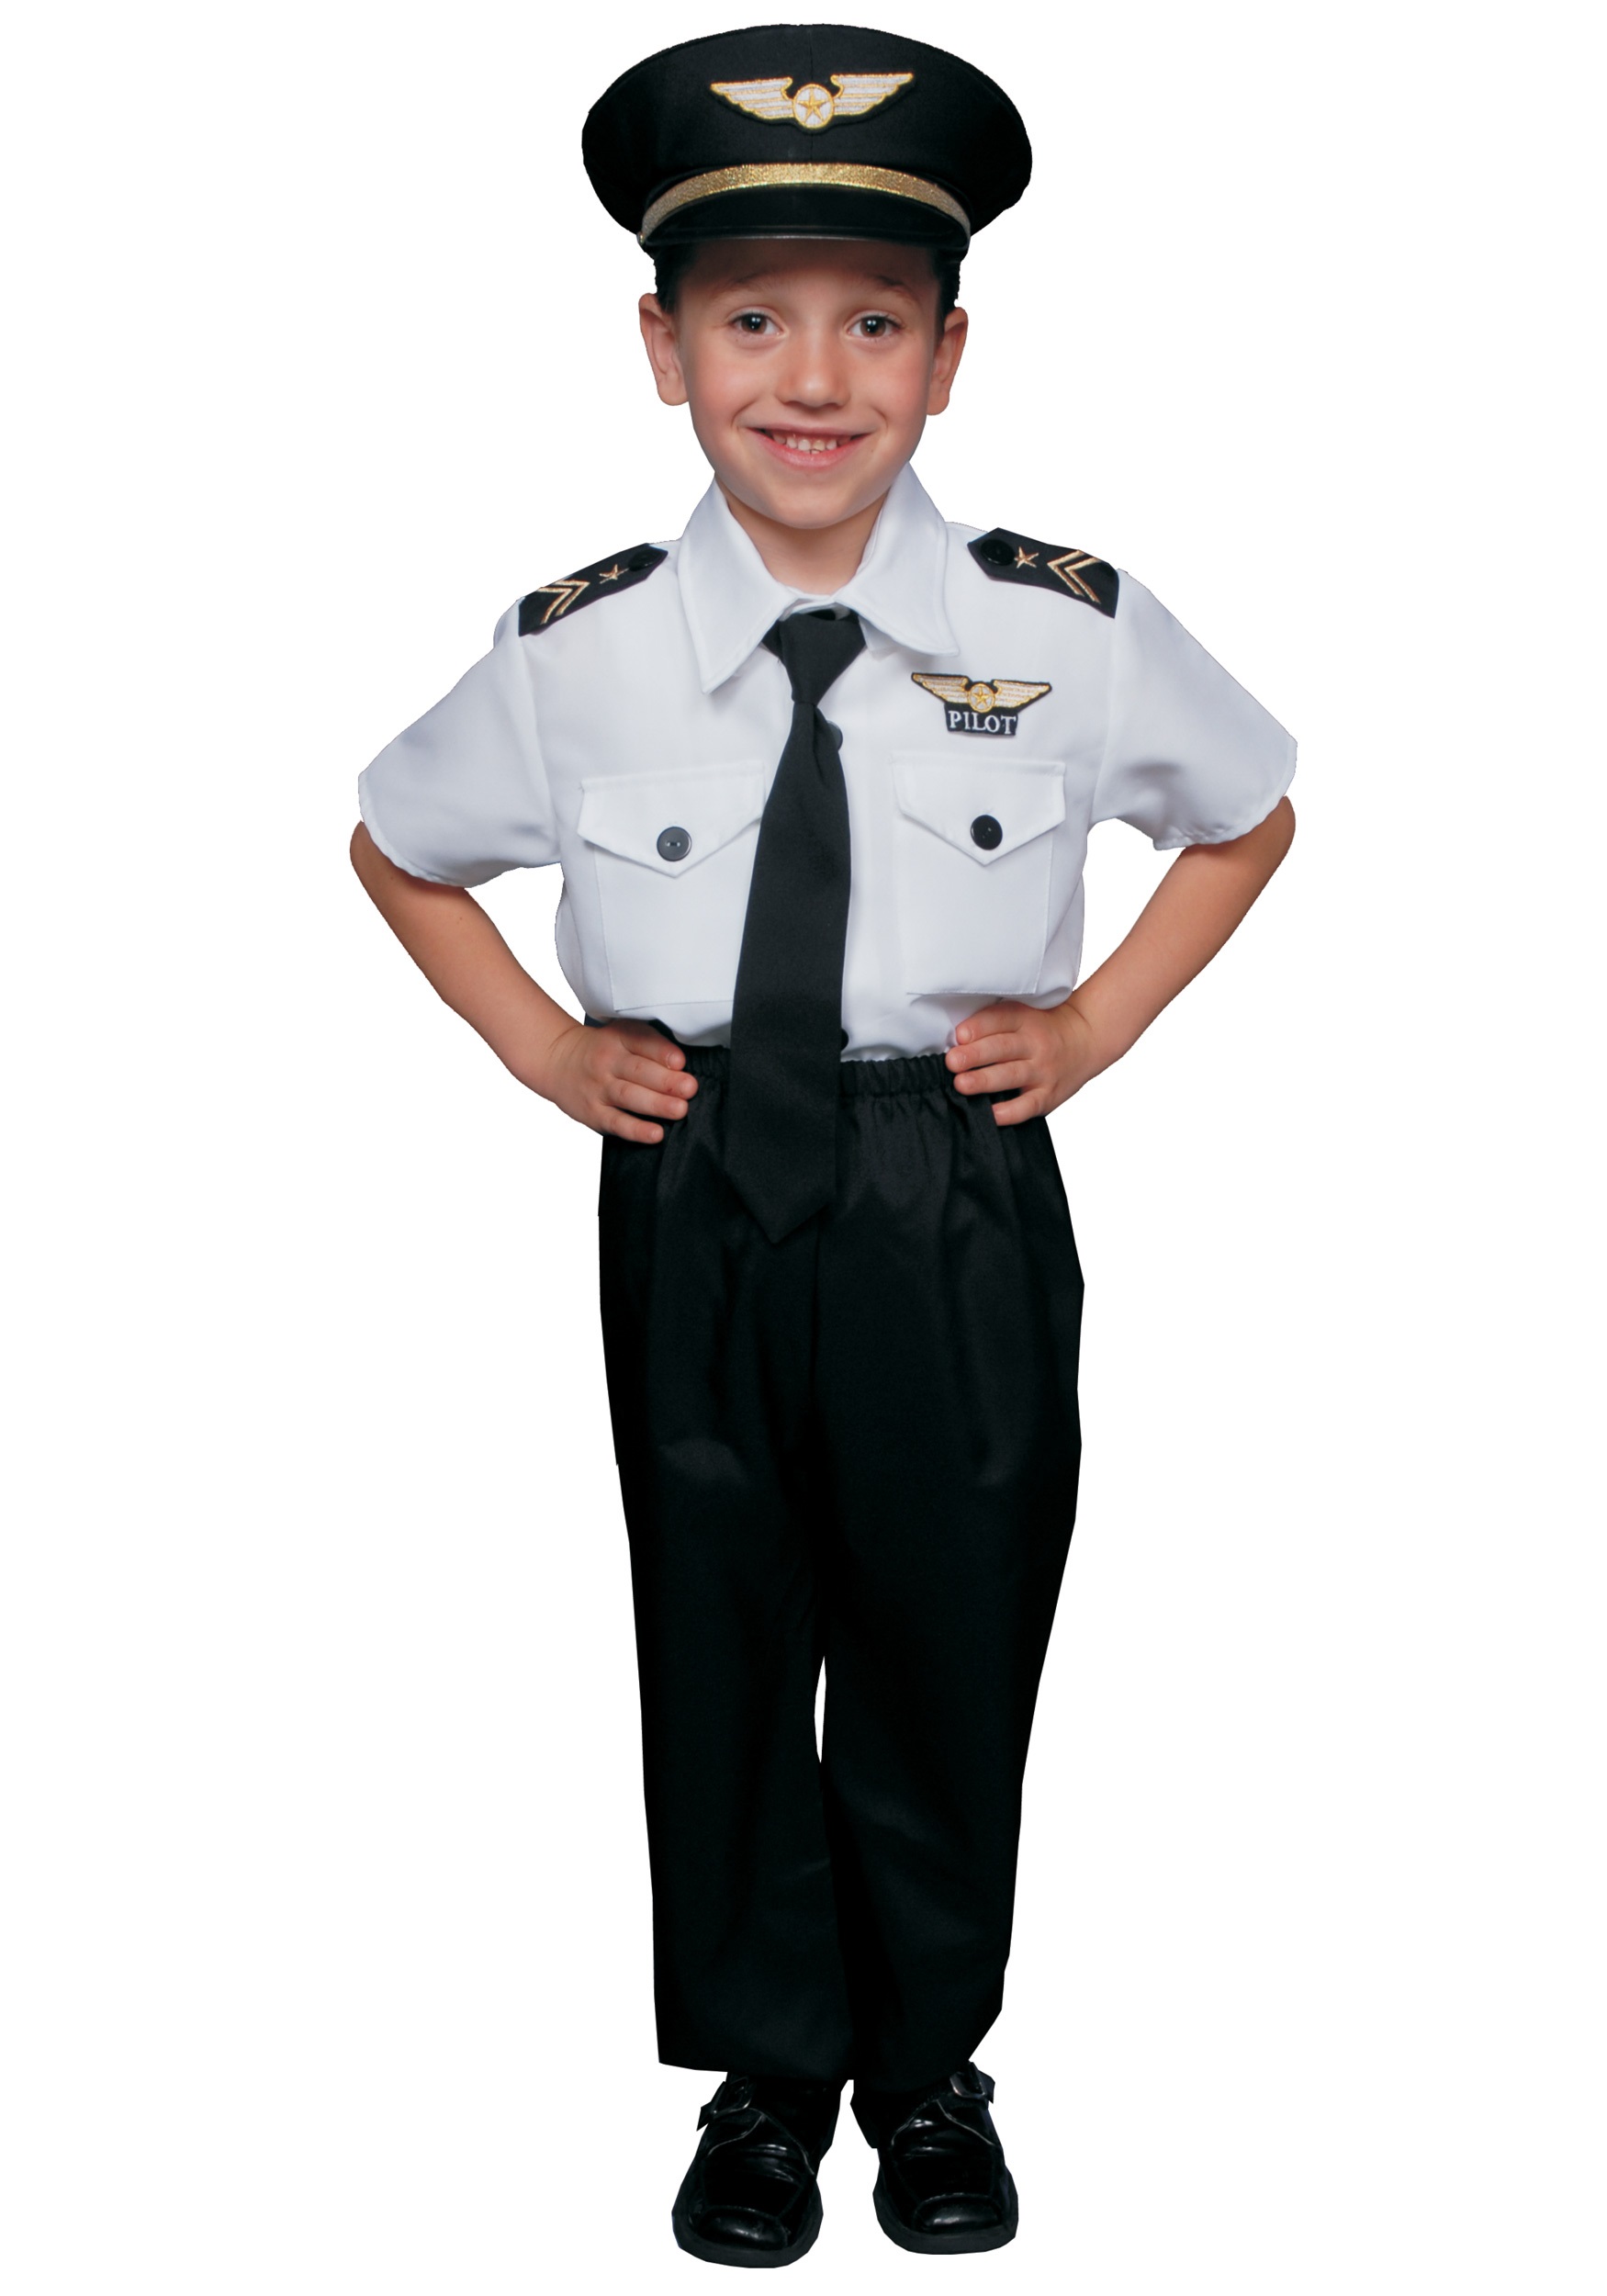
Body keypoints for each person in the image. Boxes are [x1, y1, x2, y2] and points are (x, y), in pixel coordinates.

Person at [351, 22, 1296, 2268]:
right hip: (693, 1179)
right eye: (750, 319)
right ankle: (767, 2073)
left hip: (941, 1181)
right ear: (658, 348)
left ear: (949, 359)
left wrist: (1092, 1020)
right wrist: (540, 1049)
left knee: (949, 1616)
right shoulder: (576, 652)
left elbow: (1247, 814)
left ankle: (926, 2060)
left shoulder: (1061, 630)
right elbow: (397, 846)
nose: (810, 376)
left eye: (873, 323)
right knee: (717, 1615)